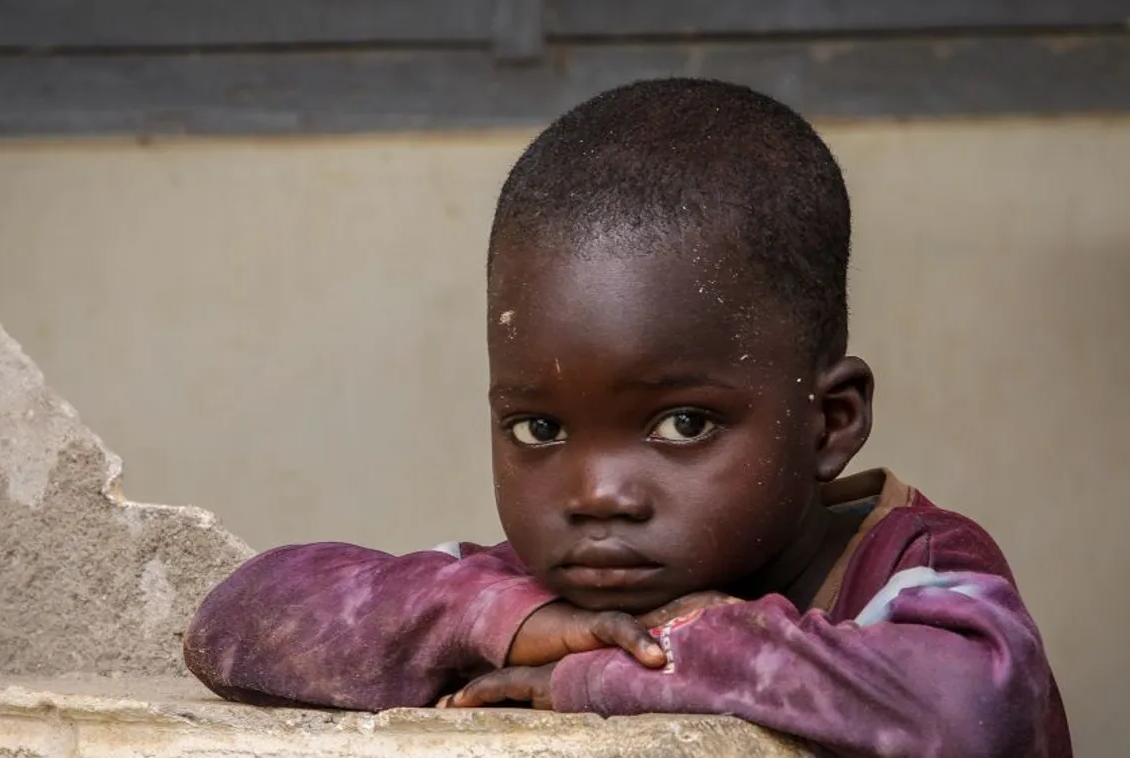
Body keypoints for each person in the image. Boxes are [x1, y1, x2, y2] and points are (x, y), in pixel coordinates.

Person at [182, 78, 1071, 757]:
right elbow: (236, 621)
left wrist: (617, 670)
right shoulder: (543, 596)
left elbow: (969, 709)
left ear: (828, 422)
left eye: (682, 425)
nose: (596, 494)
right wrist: (496, 619)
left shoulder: (912, 572)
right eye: (539, 430)